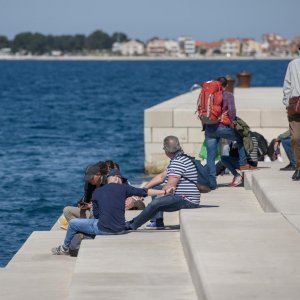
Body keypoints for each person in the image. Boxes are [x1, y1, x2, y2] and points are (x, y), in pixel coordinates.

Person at [51, 169, 173, 255]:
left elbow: (97, 215)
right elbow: (144, 192)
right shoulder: (125, 188)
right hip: (120, 229)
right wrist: (164, 192)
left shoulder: (97, 192)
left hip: (103, 229)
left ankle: (65, 248)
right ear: (117, 178)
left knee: (73, 224)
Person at [126, 135, 201, 231]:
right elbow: (161, 177)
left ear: (166, 149)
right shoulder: (180, 158)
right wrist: (141, 192)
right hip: (183, 196)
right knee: (156, 189)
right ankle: (157, 222)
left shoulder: (178, 162)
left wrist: (156, 197)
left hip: (187, 200)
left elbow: (170, 186)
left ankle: (132, 224)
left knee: (156, 203)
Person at [204, 76, 249, 189]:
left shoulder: (209, 95)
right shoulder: (228, 95)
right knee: (240, 138)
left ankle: (212, 183)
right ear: (227, 85)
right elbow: (232, 110)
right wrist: (233, 122)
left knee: (211, 156)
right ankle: (243, 164)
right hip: (223, 127)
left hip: (209, 128)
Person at [283, 50, 300, 181]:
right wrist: (287, 103)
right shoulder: (293, 64)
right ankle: (298, 167)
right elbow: (287, 85)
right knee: (295, 138)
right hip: (295, 106)